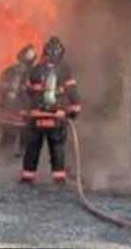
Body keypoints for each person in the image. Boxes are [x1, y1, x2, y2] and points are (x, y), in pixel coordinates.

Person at [20, 36, 81, 184]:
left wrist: (25, 112)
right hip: (56, 118)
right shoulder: (65, 70)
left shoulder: (35, 69)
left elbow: (25, 92)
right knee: (57, 149)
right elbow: (73, 93)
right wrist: (74, 111)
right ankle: (59, 180)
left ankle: (27, 178)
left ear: (45, 52)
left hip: (36, 118)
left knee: (32, 149)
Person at [0, 44, 37, 156]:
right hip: (22, 114)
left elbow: (0, 88)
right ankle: (11, 164)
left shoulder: (9, 71)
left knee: (9, 141)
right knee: (22, 144)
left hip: (13, 113)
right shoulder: (35, 73)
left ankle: (3, 164)